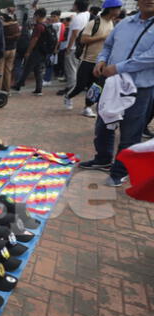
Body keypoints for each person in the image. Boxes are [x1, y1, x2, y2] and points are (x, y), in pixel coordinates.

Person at [78, 0, 154, 186]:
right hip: (112, 84)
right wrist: (101, 61)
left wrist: (118, 68)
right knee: (103, 124)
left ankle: (120, 171)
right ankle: (103, 159)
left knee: (130, 132)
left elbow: (150, 58)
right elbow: (108, 46)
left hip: (139, 88)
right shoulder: (125, 23)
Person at [64, 0, 122, 116]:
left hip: (101, 62)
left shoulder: (112, 23)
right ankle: (68, 96)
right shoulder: (94, 22)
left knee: (95, 87)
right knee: (81, 85)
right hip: (87, 60)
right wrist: (103, 37)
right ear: (110, 9)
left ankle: (87, 107)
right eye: (118, 8)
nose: (119, 11)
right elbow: (83, 40)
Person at [13, 8, 51, 96]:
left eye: (34, 16)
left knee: (27, 68)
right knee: (38, 70)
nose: (34, 17)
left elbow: (34, 39)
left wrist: (28, 51)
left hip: (36, 51)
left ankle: (19, 84)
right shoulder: (45, 25)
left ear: (37, 16)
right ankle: (39, 89)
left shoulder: (38, 27)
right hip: (42, 52)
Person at [58, 0, 90, 96]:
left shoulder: (77, 18)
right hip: (81, 47)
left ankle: (71, 89)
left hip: (73, 47)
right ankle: (73, 87)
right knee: (76, 68)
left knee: (71, 69)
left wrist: (68, 48)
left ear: (77, 6)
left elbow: (74, 34)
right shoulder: (86, 15)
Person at [0, 13, 20, 94]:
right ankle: (7, 90)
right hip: (13, 49)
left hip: (4, 50)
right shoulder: (16, 25)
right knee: (8, 70)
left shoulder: (3, 26)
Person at [43, 10, 64, 86]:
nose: (52, 18)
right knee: (48, 62)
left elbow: (59, 38)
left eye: (54, 16)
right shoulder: (52, 25)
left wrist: (56, 48)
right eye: (51, 16)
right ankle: (47, 78)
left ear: (58, 16)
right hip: (49, 46)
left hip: (53, 47)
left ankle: (47, 79)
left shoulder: (59, 25)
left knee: (49, 63)